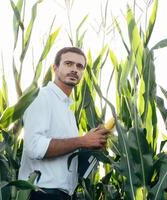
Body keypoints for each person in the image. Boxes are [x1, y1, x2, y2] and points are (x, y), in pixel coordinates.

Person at [18, 47, 110, 200]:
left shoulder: (67, 109)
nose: (74, 69)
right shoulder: (42, 97)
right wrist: (82, 140)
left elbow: (67, 153)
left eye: (80, 66)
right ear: (55, 68)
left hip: (63, 195)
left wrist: (90, 143)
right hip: (41, 193)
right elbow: (34, 147)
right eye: (68, 64)